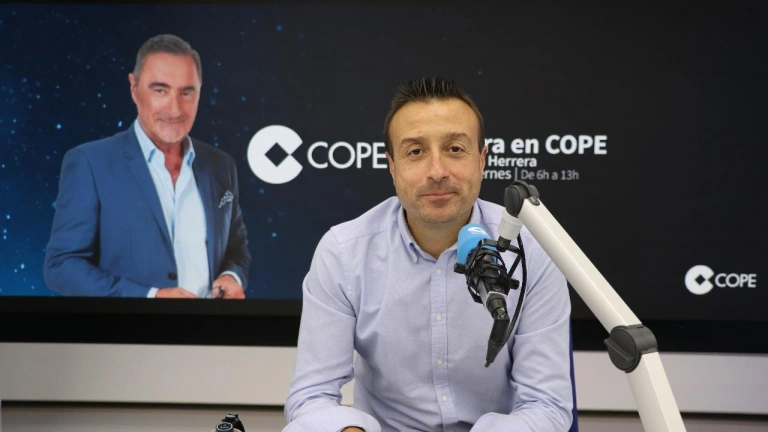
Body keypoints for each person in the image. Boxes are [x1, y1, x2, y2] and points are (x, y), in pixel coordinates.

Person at [283, 78, 573, 431]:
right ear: (392, 166)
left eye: (455, 149)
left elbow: (547, 405)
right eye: (416, 152)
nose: (437, 172)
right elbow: (311, 397)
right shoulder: (344, 253)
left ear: (482, 160)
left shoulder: (531, 249)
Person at [43, 34, 250, 298]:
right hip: (132, 324)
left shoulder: (221, 164)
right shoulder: (89, 163)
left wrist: (232, 276)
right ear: (134, 88)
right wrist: (151, 297)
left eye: (186, 93)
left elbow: (237, 249)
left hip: (211, 325)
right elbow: (61, 267)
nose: (175, 110)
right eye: (160, 90)